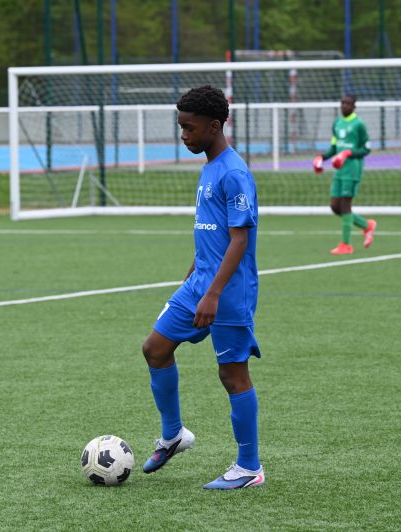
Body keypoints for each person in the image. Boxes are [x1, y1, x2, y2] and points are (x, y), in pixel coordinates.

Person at [141, 85, 264, 490]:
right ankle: (173, 435)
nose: (183, 135)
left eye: (189, 128)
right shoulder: (209, 167)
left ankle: (249, 467)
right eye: (181, 127)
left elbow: (239, 240)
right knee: (155, 349)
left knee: (232, 374)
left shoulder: (234, 173)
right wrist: (193, 274)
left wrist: (212, 293)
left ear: (214, 126)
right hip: (199, 284)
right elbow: (211, 231)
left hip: (227, 293)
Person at [312, 94, 377, 255]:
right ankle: (366, 226)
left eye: (347, 104)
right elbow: (334, 148)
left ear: (354, 106)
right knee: (335, 206)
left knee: (345, 206)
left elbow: (366, 149)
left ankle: (346, 245)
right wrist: (322, 158)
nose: (344, 106)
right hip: (339, 170)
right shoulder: (337, 123)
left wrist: (348, 153)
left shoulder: (359, 125)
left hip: (353, 169)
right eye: (342, 103)